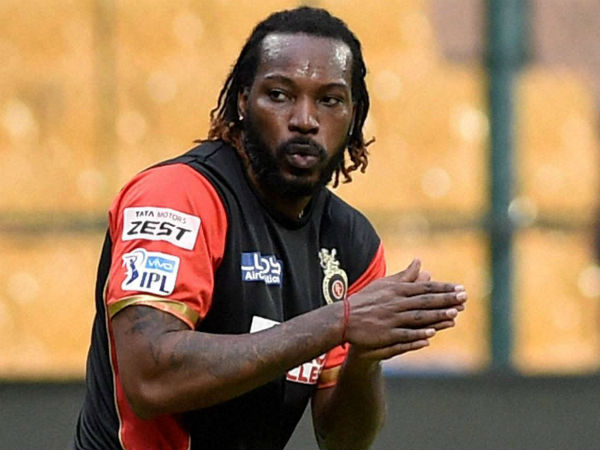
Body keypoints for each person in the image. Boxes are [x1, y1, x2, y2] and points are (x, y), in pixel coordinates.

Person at [73, 6, 467, 450]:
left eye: (330, 100)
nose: (305, 120)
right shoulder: (178, 197)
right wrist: (339, 321)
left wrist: (363, 357)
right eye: (279, 95)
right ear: (243, 100)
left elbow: (342, 440)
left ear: (354, 115)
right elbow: (150, 380)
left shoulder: (351, 243)